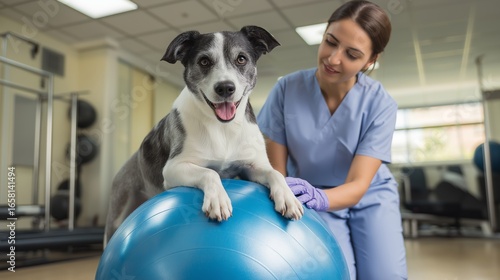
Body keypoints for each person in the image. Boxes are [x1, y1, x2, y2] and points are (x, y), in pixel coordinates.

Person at [257, 1, 408, 279]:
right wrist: (295, 198)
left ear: (371, 60)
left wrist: (322, 198)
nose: (333, 59)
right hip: (309, 195)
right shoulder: (286, 90)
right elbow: (275, 172)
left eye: (352, 54)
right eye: (330, 42)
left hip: (369, 195)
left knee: (384, 274)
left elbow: (359, 184)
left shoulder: (380, 103)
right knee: (334, 272)